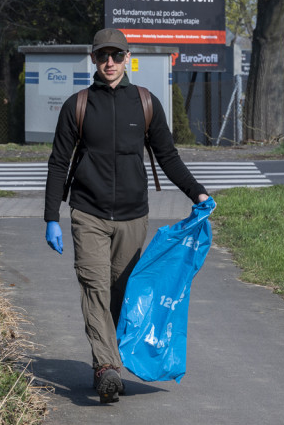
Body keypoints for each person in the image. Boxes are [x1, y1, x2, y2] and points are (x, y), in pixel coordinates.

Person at [43, 28, 210, 404]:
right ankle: (106, 369)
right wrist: (51, 216)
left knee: (122, 295)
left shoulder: (146, 103)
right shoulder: (78, 105)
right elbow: (58, 162)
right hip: (88, 214)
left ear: (127, 57)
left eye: (117, 56)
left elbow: (168, 156)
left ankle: (111, 362)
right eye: (103, 56)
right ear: (93, 59)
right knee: (95, 288)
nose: (110, 63)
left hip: (134, 218)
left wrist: (197, 192)